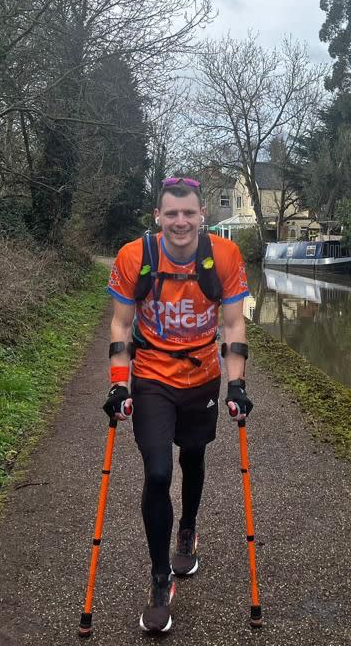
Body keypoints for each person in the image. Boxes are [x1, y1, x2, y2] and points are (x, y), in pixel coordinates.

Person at [104, 176, 254, 634]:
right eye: (171, 213)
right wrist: (118, 386)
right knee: (157, 472)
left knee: (192, 456)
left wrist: (237, 386)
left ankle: (187, 528)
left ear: (202, 214)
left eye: (188, 212)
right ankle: (158, 576)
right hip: (151, 377)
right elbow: (120, 323)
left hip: (203, 377)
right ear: (158, 217)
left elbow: (233, 325)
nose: (180, 221)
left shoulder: (224, 256)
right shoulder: (135, 256)